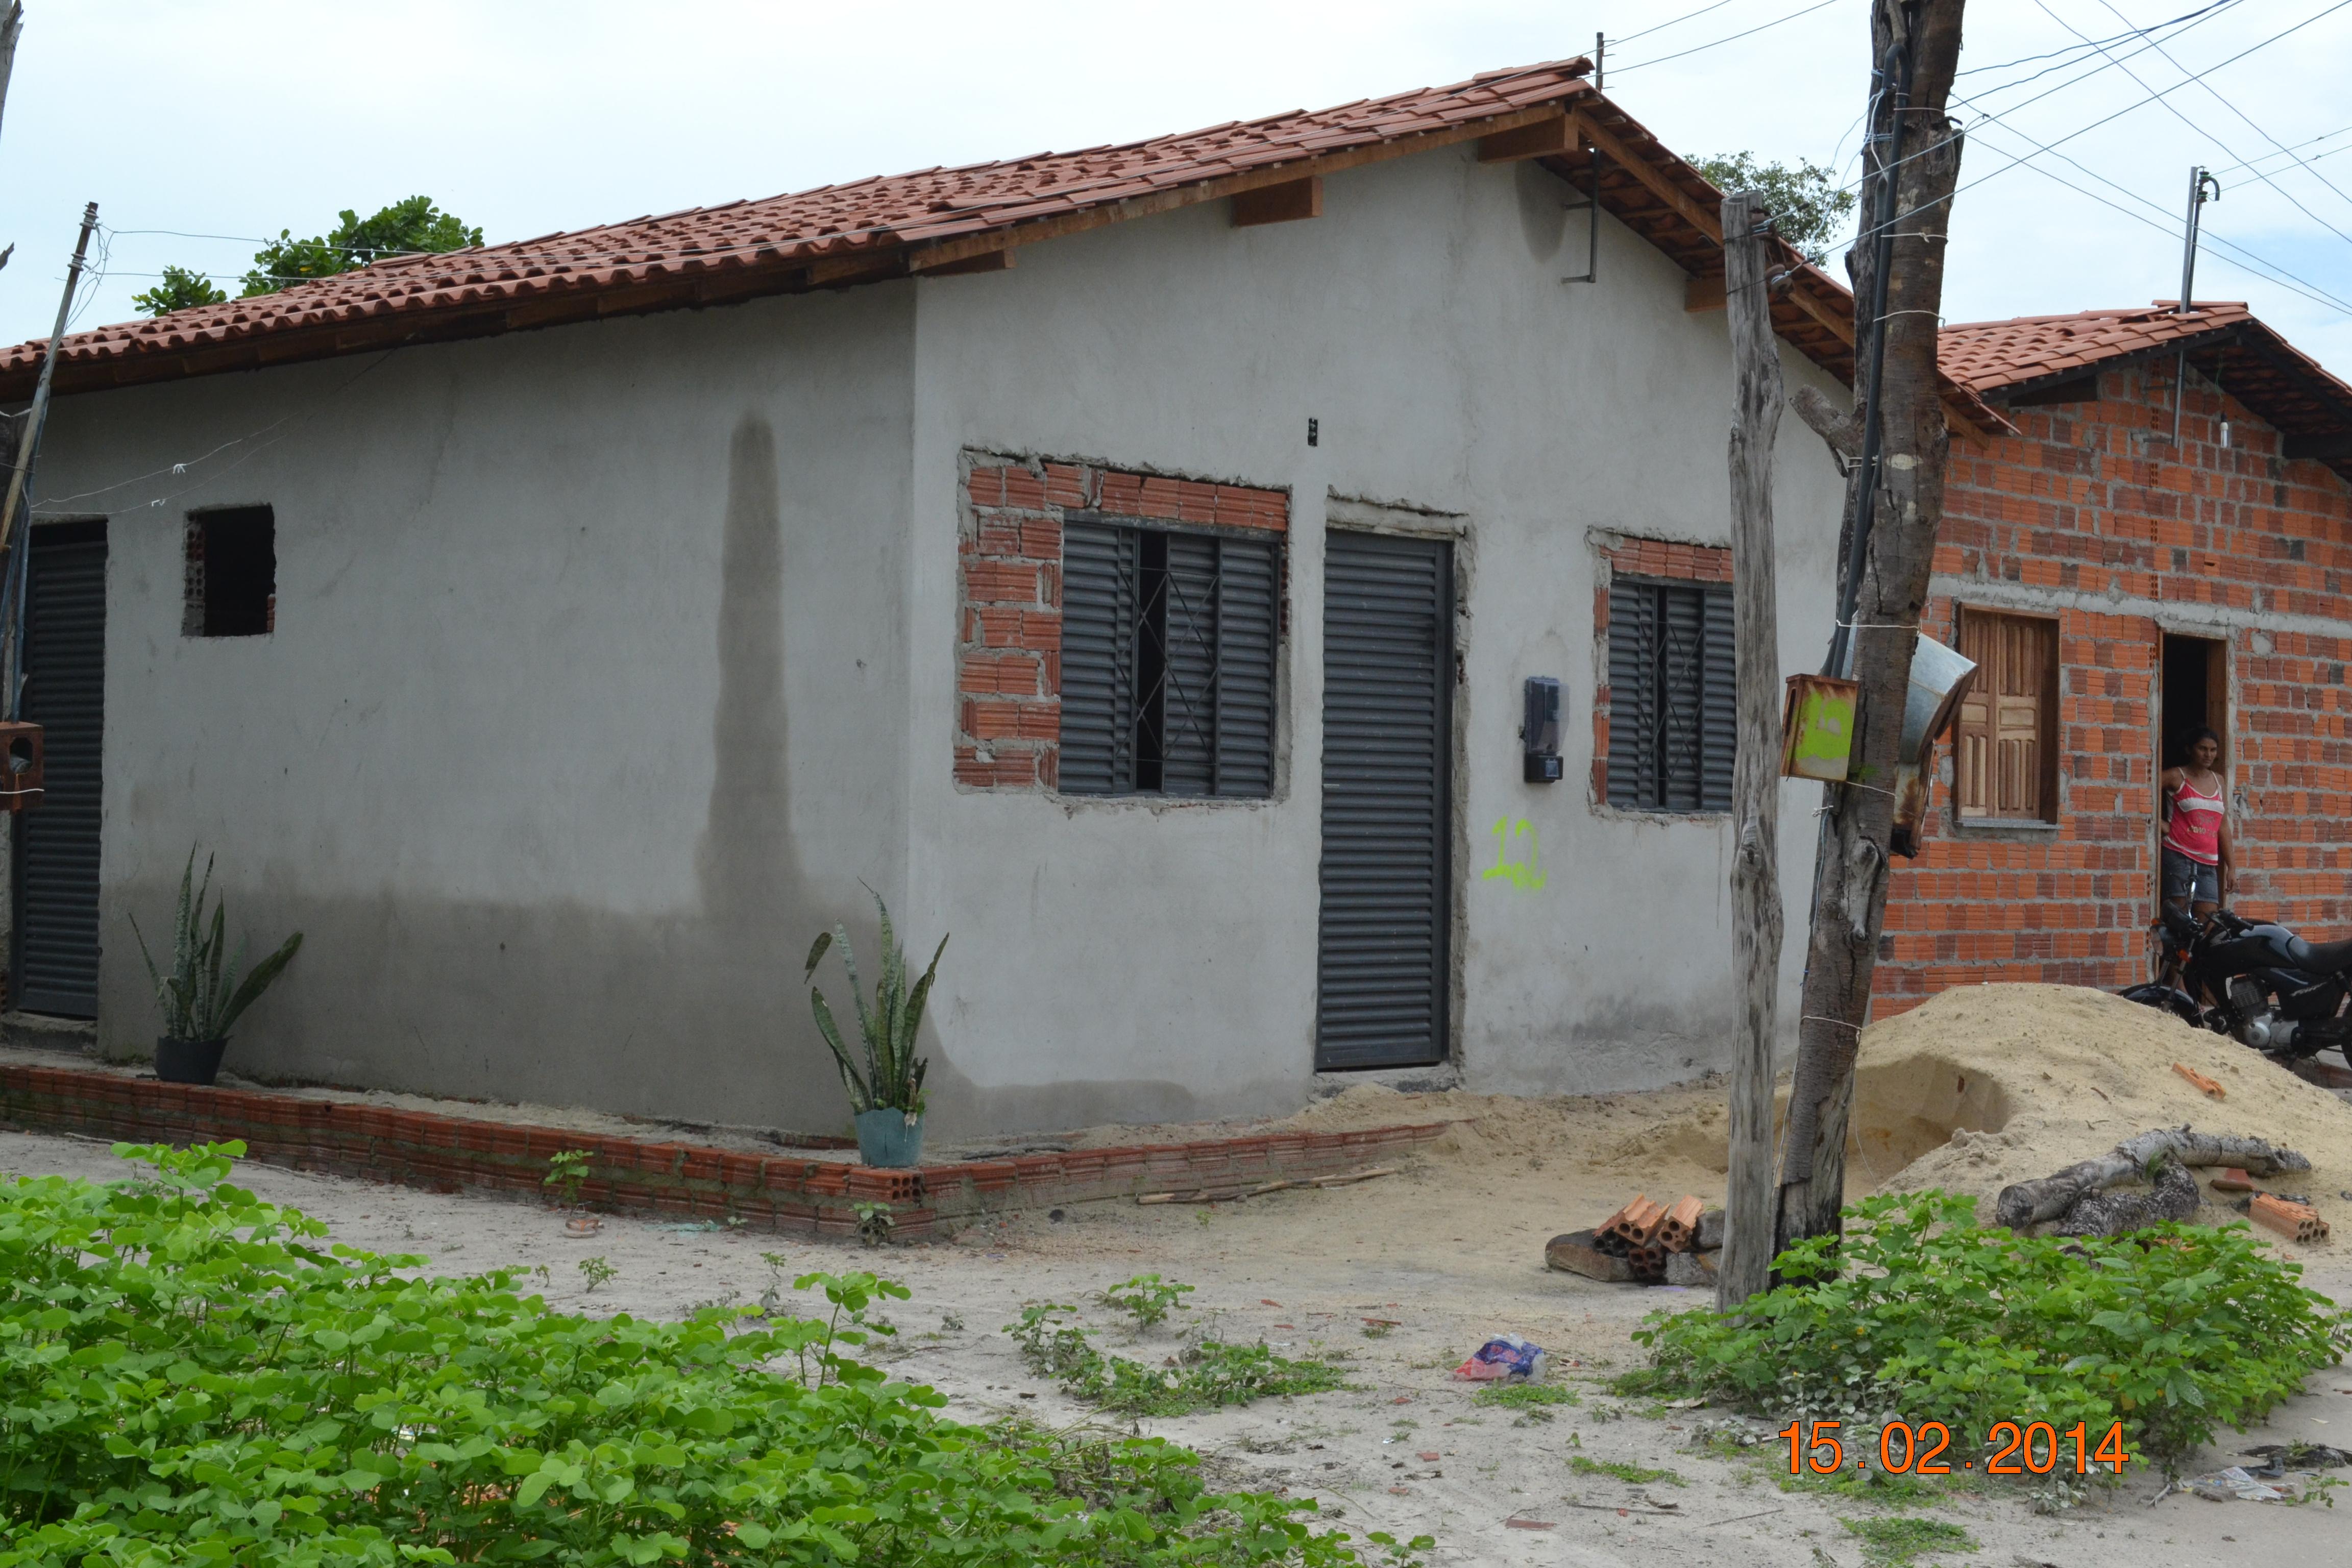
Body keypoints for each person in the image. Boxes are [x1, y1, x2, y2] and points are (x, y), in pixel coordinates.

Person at [2160, 726, 2234, 916]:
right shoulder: (2177, 776)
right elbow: (2142, 788)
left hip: (2209, 862)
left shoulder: (2219, 781)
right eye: (2202, 749)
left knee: (2208, 920)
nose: (2208, 754)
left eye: (2213, 750)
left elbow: (2223, 826)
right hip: (2179, 855)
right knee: (2179, 917)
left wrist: (2231, 867)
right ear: (2189, 750)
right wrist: (2159, 823)